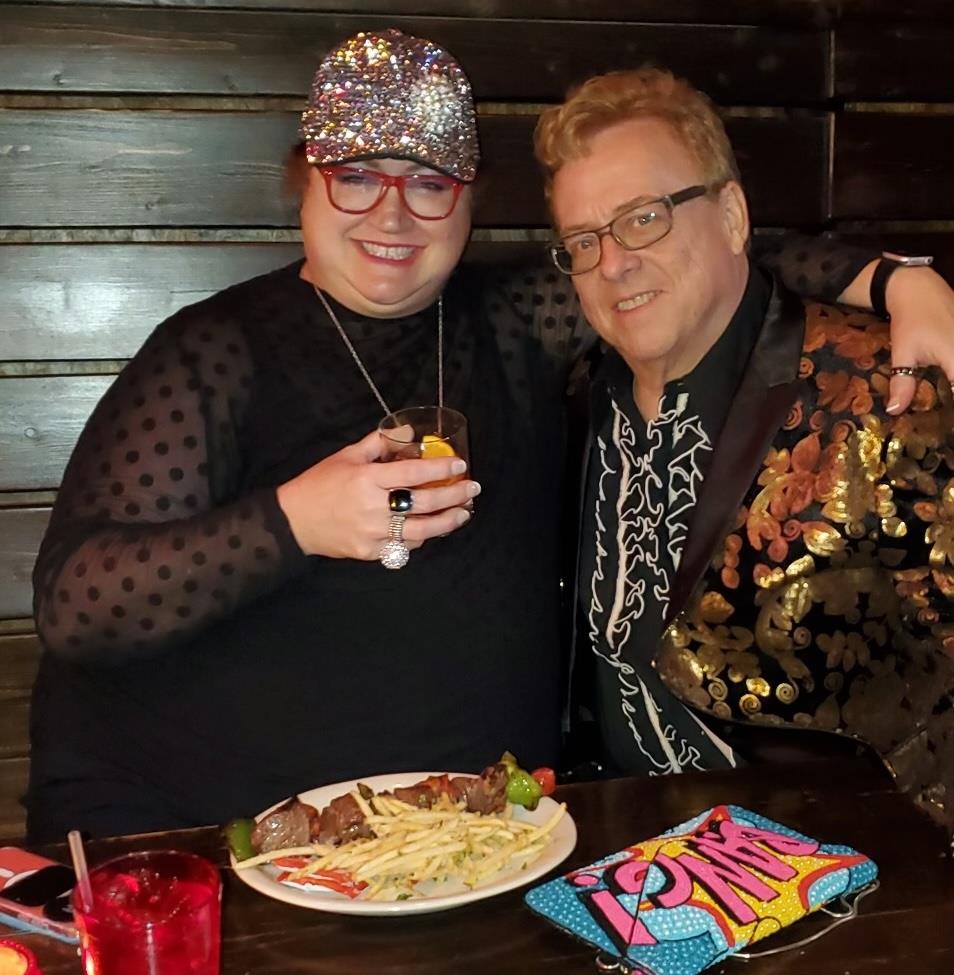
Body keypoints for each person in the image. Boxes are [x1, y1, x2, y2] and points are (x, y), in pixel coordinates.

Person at [26, 29, 954, 842]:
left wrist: (894, 279)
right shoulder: (215, 351)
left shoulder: (516, 315)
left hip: (489, 842)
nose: (391, 214)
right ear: (304, 184)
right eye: (357, 177)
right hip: (239, 838)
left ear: (466, 202)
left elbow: (691, 252)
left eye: (429, 183)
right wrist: (292, 522)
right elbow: (75, 601)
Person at [535, 67, 954, 826]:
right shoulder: (576, 395)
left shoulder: (884, 390)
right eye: (584, 239)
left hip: (856, 885)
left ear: (731, 216)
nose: (613, 261)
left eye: (644, 218)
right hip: (623, 858)